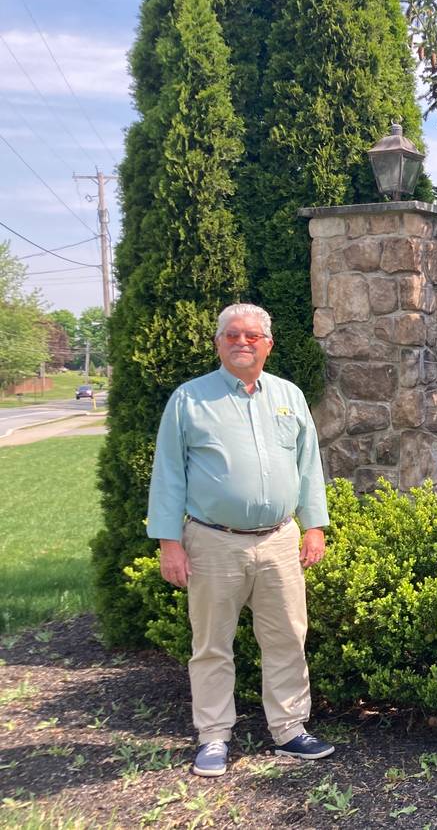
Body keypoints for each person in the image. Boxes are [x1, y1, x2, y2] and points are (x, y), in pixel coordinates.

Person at [147, 303, 334, 777]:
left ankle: (290, 729)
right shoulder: (189, 400)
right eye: (231, 335)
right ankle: (213, 736)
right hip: (213, 541)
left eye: (252, 335)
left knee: (287, 637)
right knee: (212, 643)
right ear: (218, 344)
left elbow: (308, 466)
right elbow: (167, 474)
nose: (242, 342)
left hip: (279, 540)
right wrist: (169, 542)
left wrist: (314, 525)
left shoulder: (289, 396)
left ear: (268, 344)